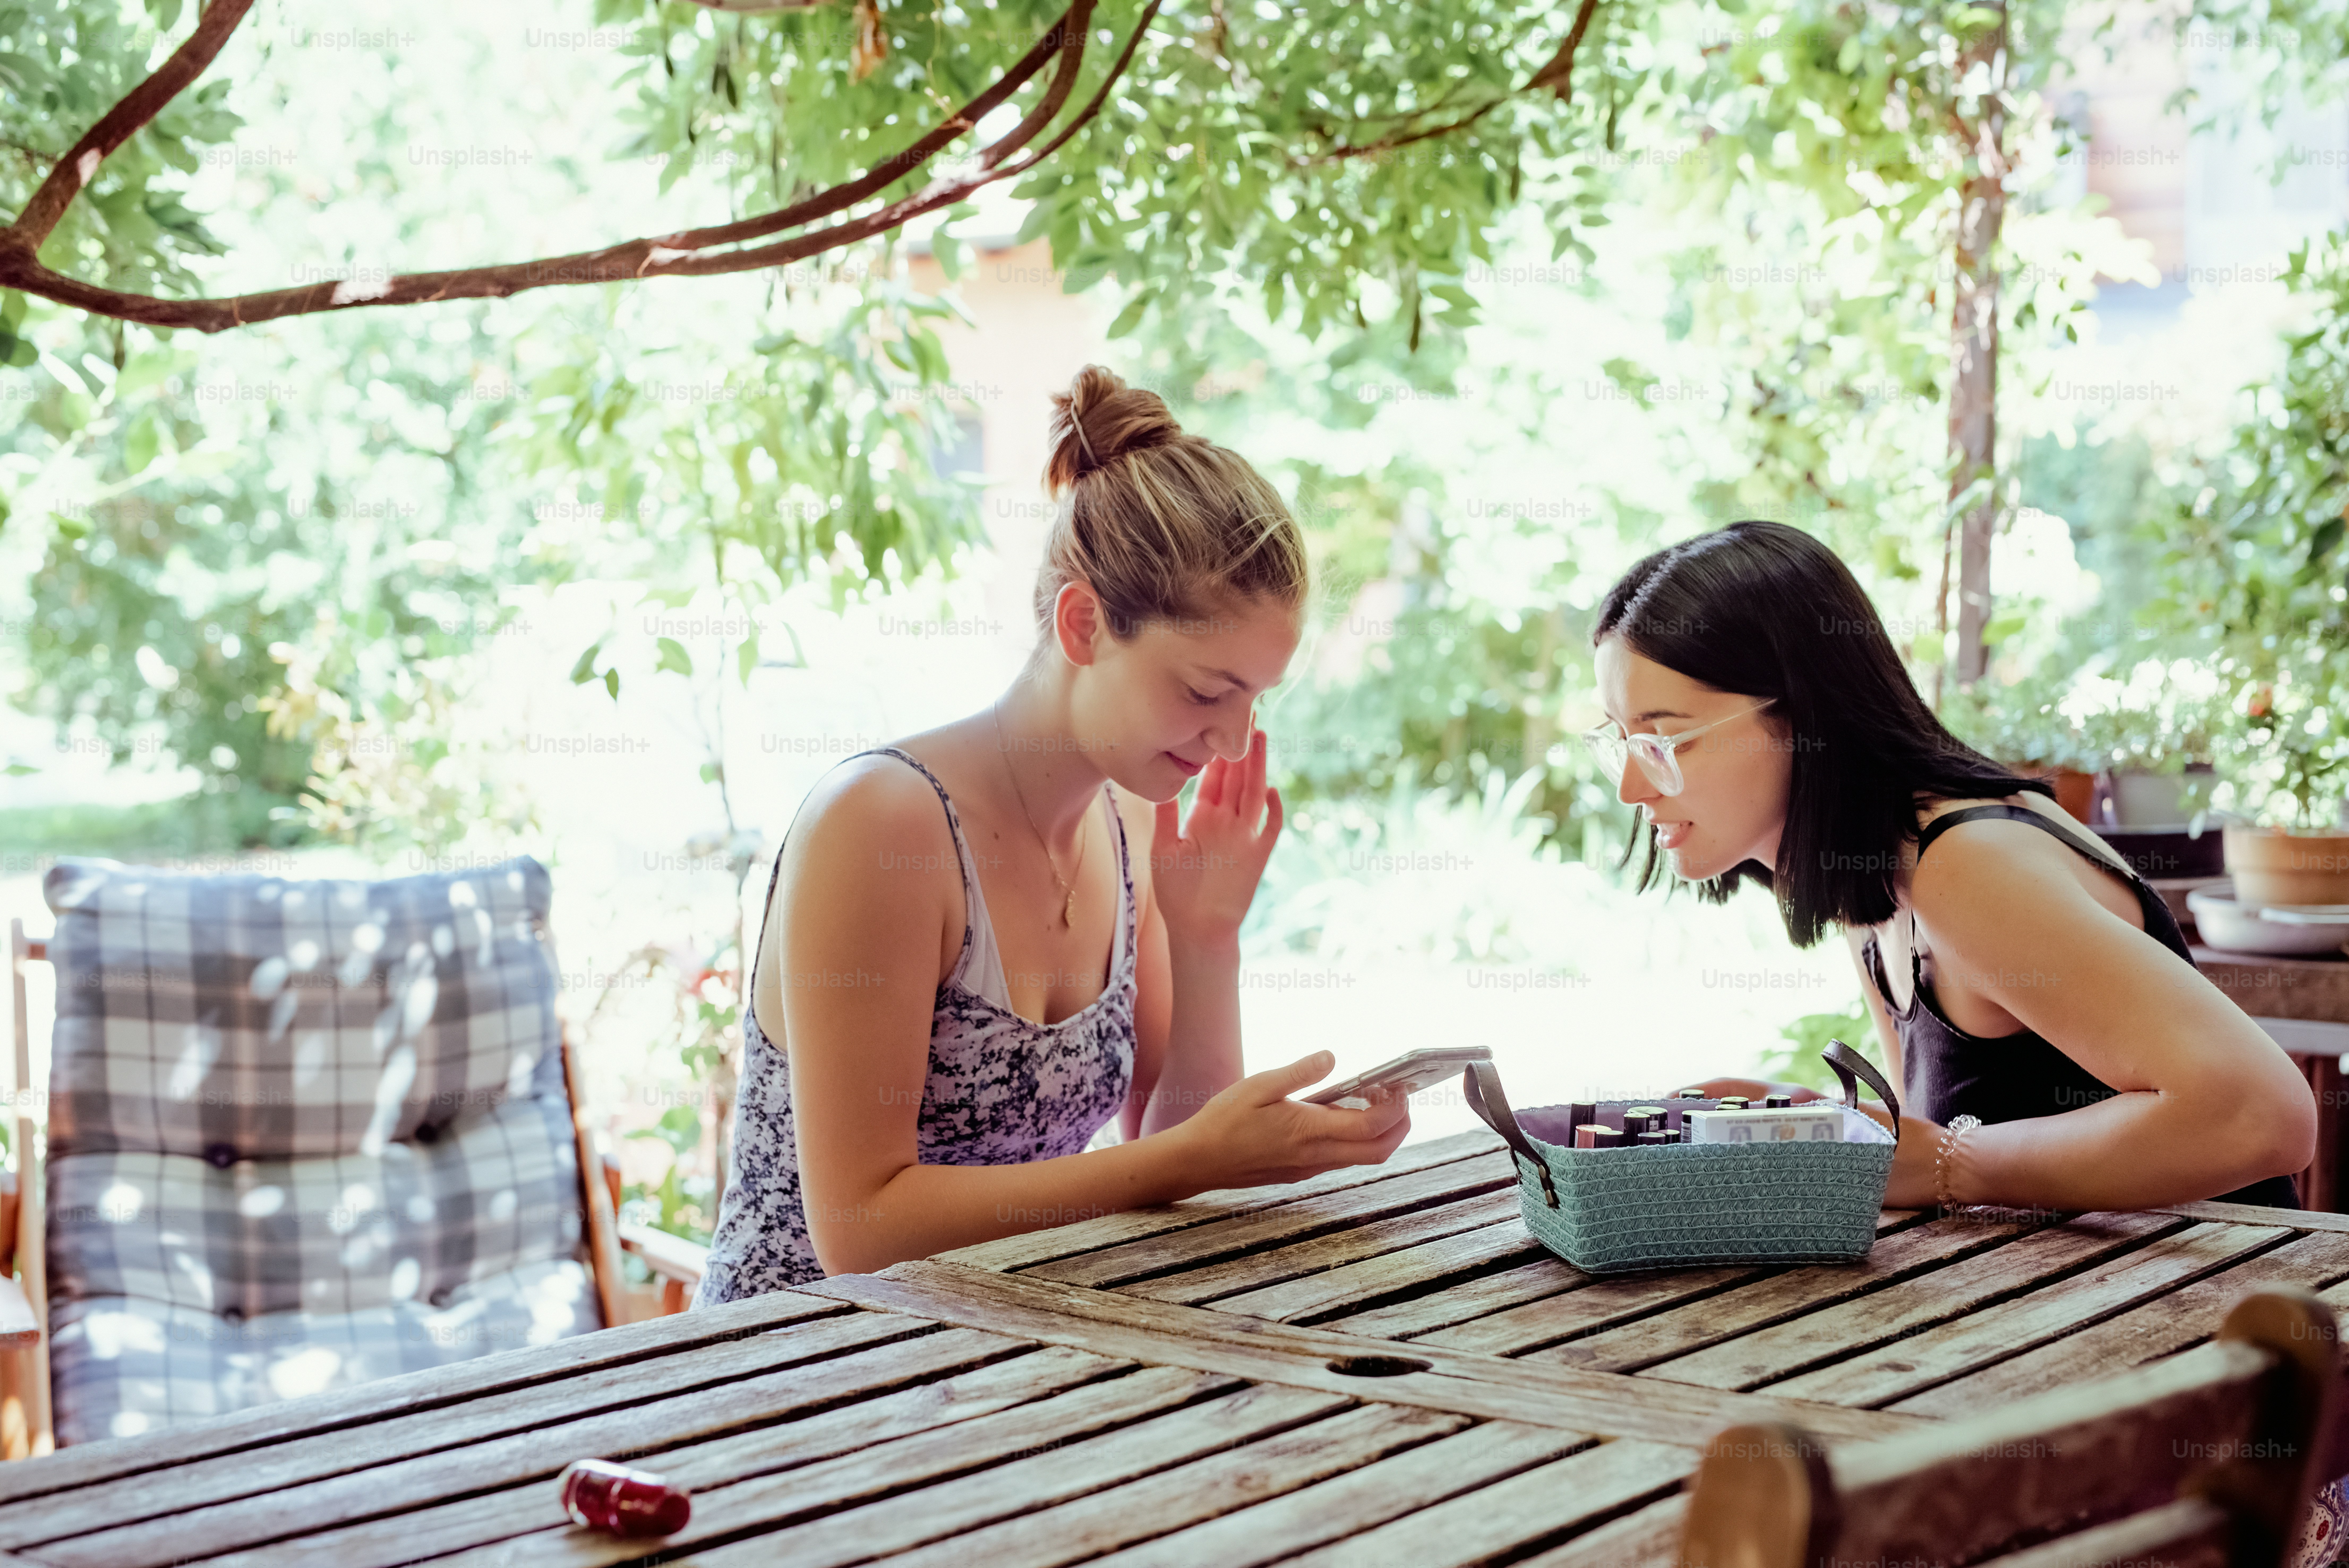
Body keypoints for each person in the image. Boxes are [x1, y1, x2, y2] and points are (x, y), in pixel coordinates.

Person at [692, 366, 1409, 1302]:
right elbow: (862, 1232)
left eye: (1255, 698)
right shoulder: (882, 824)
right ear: (1082, 623)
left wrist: (1205, 938)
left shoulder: (1131, 815)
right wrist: (1194, 1157)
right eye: (1204, 691)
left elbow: (1161, 1141)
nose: (1235, 739)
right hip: (782, 1385)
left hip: (1001, 1359)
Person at [1582, 519, 2314, 1214]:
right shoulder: (1869, 872)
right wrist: (1834, 1128)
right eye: (1620, 740)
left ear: (1802, 717)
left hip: (2225, 1314)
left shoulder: (1965, 864)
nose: (1631, 788)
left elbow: (2264, 1115)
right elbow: (1951, 1134)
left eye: (1665, 739)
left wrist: (1948, 1164)